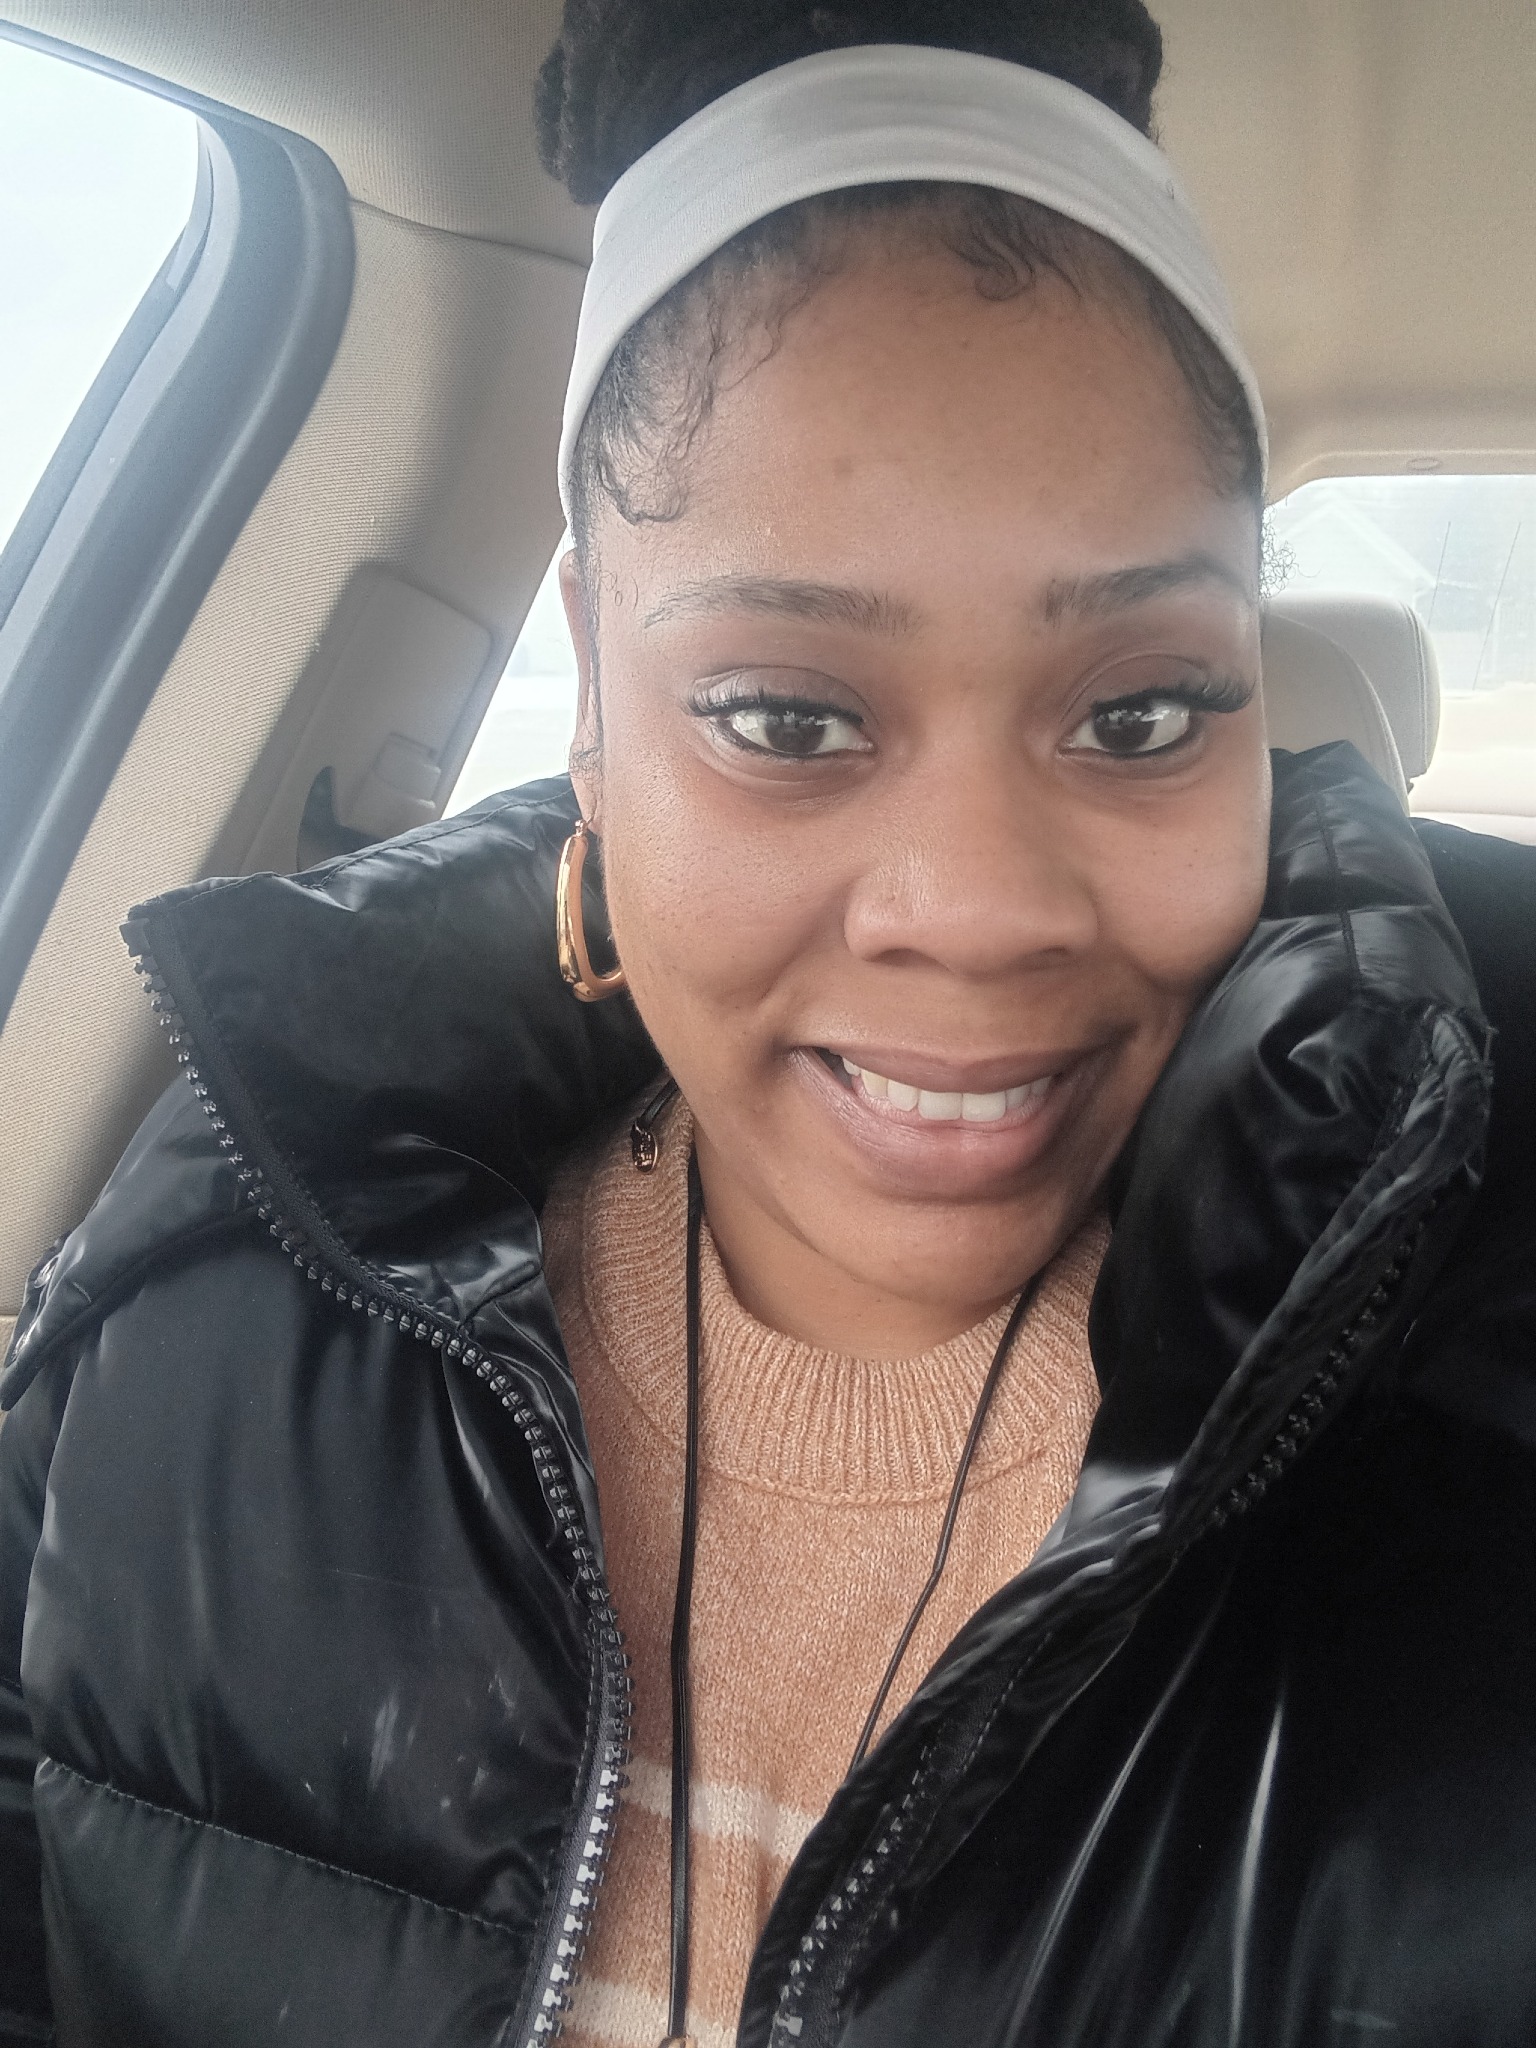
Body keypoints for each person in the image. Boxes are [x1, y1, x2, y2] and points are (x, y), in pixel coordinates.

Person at [1, 1, 1533, 2044]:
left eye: (1144, 713)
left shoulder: (1474, 1430)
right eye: (788, 719)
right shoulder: (206, 1294)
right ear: (593, 698)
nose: (975, 911)